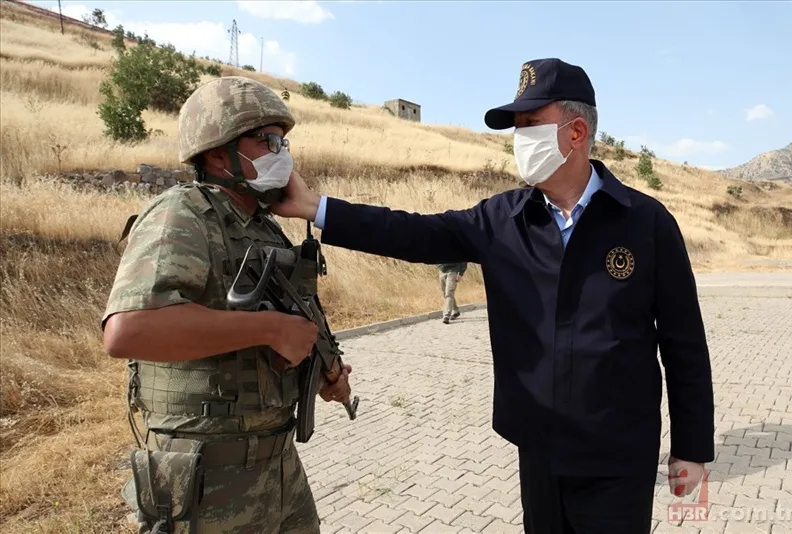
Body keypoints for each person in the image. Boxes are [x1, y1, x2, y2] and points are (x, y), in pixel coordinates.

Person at [272, 58, 715, 533]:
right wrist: (317, 208)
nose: (519, 139)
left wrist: (692, 448)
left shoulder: (645, 223)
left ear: (576, 131)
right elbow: (414, 233)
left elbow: (684, 344)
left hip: (617, 455)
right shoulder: (503, 220)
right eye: (516, 128)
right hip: (538, 449)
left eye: (530, 125)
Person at [102, 76, 352, 534]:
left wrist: (326, 373)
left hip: (277, 466)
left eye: (285, 141)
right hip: (206, 478)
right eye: (269, 140)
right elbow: (129, 330)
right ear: (218, 153)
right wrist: (271, 330)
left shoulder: (263, 227)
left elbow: (298, 315)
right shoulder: (182, 212)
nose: (284, 153)